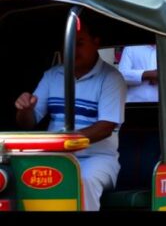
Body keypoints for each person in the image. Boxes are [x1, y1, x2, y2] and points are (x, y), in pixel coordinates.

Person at [14, 22, 126, 211]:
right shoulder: (51, 75)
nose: (72, 50)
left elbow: (105, 127)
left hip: (96, 159)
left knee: (82, 181)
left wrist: (62, 142)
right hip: (54, 156)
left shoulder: (111, 78)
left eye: (80, 43)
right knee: (17, 176)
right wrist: (24, 109)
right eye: (68, 45)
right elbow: (28, 121)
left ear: (96, 43)